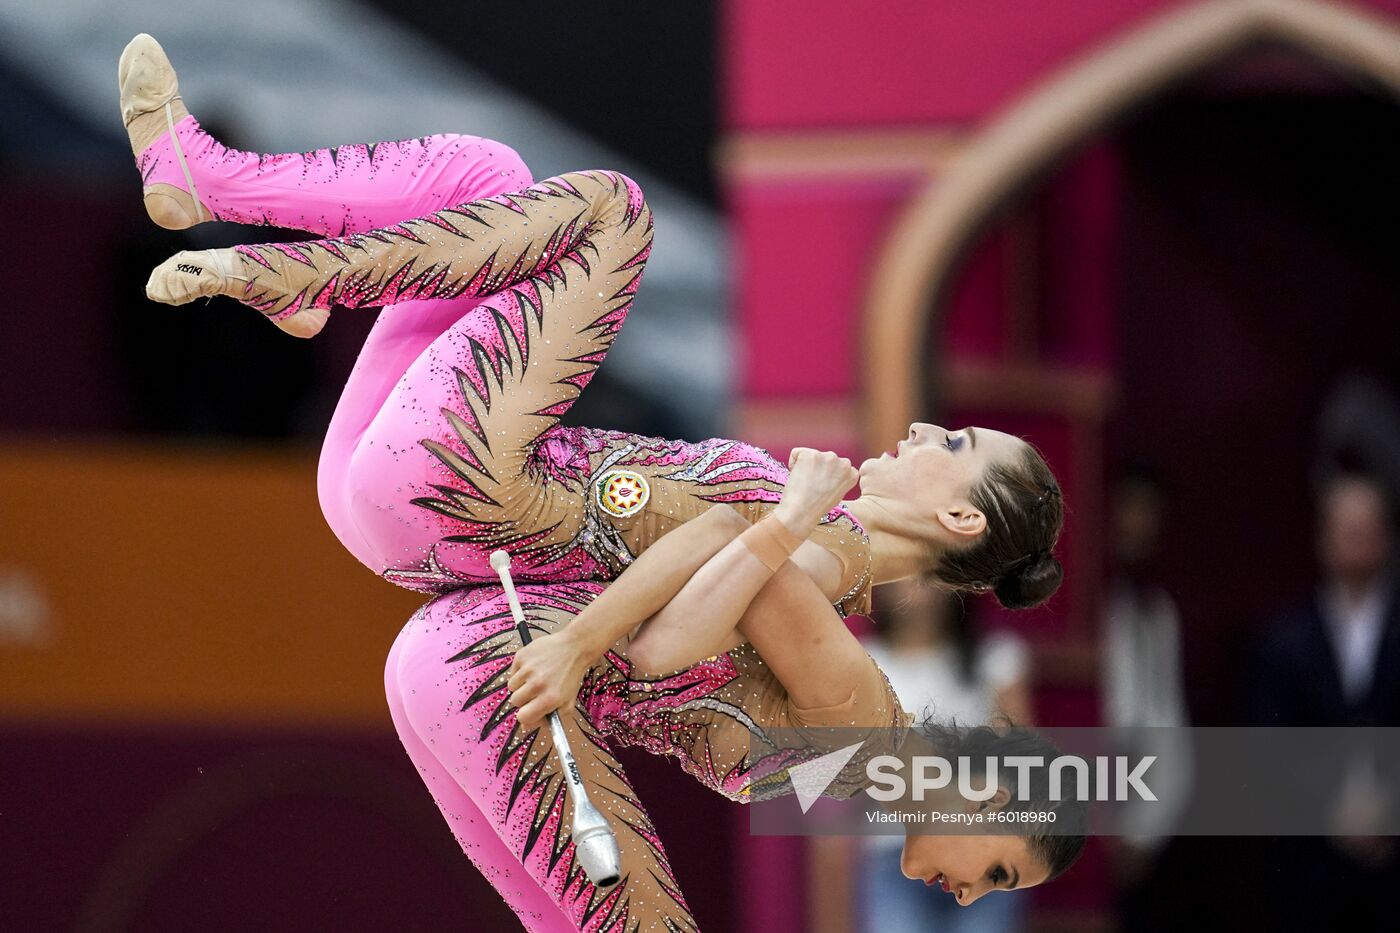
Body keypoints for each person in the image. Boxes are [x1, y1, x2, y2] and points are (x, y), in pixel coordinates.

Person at [119, 34, 1084, 929]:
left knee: (598, 212)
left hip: (485, 573)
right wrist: (744, 545)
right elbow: (695, 602)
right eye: (999, 870)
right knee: (494, 186)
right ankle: (258, 226)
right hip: (468, 583)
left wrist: (601, 629)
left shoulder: (852, 723)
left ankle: (298, 272)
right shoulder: (858, 699)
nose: (975, 895)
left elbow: (675, 632)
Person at [857, 582, 1033, 933]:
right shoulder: (862, 662)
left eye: (933, 573)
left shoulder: (994, 659)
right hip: (895, 855)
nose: (919, 587)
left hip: (983, 854)